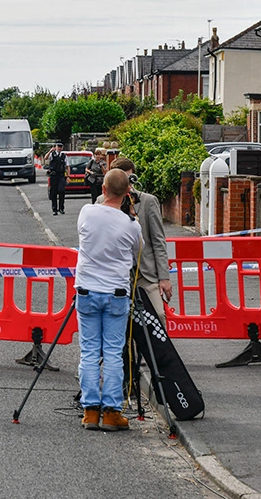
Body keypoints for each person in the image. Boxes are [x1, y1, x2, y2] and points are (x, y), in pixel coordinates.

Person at [76, 168, 142, 432]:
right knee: (114, 352)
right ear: (127, 193)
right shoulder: (131, 225)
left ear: (103, 189)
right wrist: (132, 214)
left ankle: (90, 411)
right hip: (116, 294)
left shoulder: (86, 212)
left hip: (87, 290)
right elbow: (139, 251)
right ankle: (112, 413)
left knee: (90, 351)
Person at [107, 157, 172, 327]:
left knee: (158, 315)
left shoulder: (148, 201)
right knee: (118, 321)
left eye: (129, 179)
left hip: (145, 274)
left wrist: (164, 277)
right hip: (115, 276)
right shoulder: (101, 202)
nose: (126, 186)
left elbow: (158, 241)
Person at [46, 142, 67, 215]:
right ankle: (54, 209)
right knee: (53, 192)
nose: (59, 148)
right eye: (58, 146)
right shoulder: (52, 154)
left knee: (61, 191)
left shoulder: (64, 156)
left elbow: (67, 166)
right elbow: (45, 158)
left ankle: (61, 208)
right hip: (54, 176)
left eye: (61, 147)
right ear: (55, 147)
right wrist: (50, 151)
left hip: (61, 175)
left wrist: (68, 176)